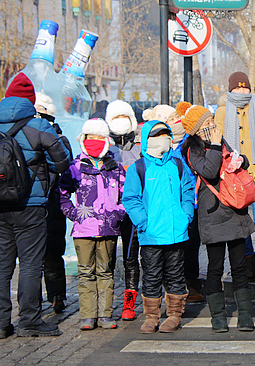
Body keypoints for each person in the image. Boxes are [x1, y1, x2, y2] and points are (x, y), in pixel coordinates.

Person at [0, 73, 70, 339]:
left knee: (1, 265)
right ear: (30, 100)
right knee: (30, 264)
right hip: (30, 205)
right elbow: (61, 164)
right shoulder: (39, 126)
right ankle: (29, 321)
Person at [182, 105, 255, 333]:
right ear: (196, 129)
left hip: (234, 210)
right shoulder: (192, 150)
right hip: (212, 213)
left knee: (239, 266)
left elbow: (236, 162)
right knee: (215, 267)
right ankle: (218, 316)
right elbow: (210, 171)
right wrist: (215, 145)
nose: (212, 126)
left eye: (212, 120)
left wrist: (240, 160)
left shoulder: (221, 141)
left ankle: (245, 315)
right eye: (206, 123)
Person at [122, 121, 196, 334]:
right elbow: (131, 199)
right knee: (151, 276)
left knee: (175, 275)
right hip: (151, 235)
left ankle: (174, 315)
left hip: (176, 234)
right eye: (158, 135)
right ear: (147, 140)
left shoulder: (177, 165)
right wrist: (144, 223)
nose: (163, 138)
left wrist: (186, 216)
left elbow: (188, 192)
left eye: (166, 134)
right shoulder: (139, 168)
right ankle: (152, 316)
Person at [58, 118, 126, 330]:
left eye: (99, 138)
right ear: (84, 139)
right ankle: (88, 315)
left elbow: (127, 196)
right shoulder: (75, 167)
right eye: (91, 138)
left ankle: (105, 314)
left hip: (109, 229)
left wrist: (117, 214)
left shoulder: (115, 168)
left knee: (106, 271)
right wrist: (74, 214)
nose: (94, 141)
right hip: (83, 230)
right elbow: (61, 195)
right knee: (86, 272)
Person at [214, 72, 255, 285]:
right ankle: (246, 264)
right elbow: (218, 142)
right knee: (242, 222)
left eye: (245, 88)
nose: (241, 92)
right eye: (237, 88)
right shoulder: (221, 112)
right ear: (230, 90)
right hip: (234, 178)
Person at [105, 99, 143, 320]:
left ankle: (129, 303)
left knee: (131, 258)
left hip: (132, 211)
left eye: (124, 118)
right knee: (107, 260)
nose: (120, 123)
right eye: (116, 119)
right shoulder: (104, 147)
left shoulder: (140, 146)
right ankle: (106, 304)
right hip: (108, 212)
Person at [34, 93, 71, 314]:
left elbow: (64, 165)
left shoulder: (60, 138)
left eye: (42, 111)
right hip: (32, 203)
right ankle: (32, 301)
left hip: (53, 201)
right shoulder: (24, 135)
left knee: (53, 252)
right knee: (32, 259)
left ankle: (57, 296)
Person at [173, 101, 205, 304]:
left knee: (195, 244)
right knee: (185, 245)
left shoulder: (197, 142)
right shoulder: (176, 146)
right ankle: (184, 283)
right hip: (183, 202)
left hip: (199, 200)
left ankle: (192, 281)